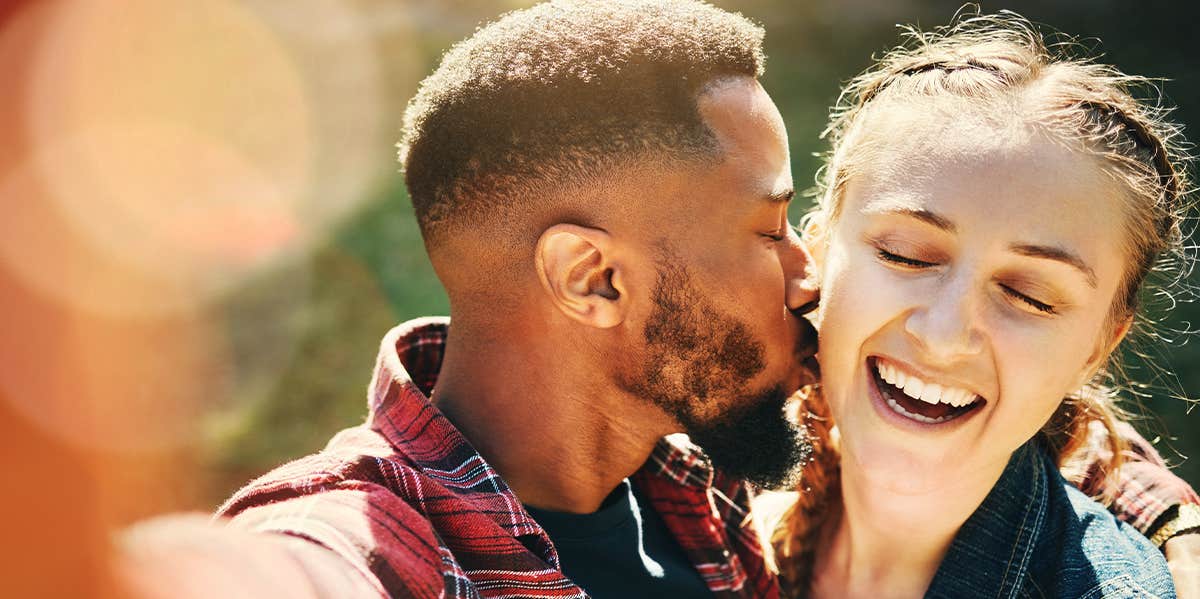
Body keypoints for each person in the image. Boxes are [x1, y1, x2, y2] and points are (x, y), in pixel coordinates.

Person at [118, 2, 1200, 598]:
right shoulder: (368, 544)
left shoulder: (700, 493)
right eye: (772, 233)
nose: (807, 278)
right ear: (595, 279)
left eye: (1029, 293)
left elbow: (1068, 446)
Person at [771, 11, 1198, 598]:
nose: (944, 333)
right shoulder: (692, 479)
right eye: (907, 255)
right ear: (818, 249)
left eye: (1029, 296)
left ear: (1098, 346)